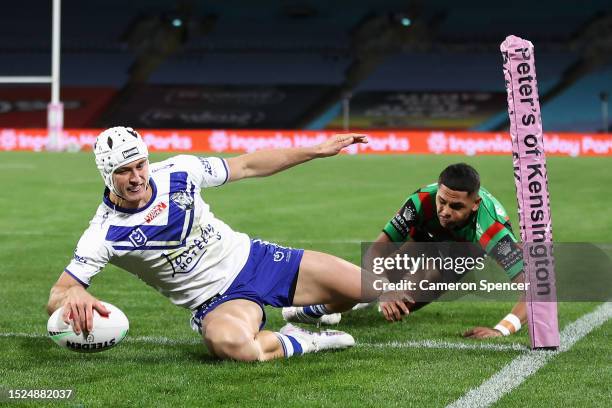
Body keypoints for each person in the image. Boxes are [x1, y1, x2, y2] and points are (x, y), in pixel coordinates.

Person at [46, 126, 374, 362]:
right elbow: (58, 295)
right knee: (235, 347)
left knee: (367, 287)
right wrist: (74, 294)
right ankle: (303, 340)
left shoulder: (180, 170)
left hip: (256, 260)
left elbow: (247, 165)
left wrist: (317, 150)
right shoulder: (103, 233)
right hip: (216, 302)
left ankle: (307, 312)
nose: (136, 178)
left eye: (140, 165)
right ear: (106, 174)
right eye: (123, 171)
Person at [284, 163, 527, 339]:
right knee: (380, 276)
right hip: (425, 236)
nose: (445, 210)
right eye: (442, 201)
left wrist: (501, 329)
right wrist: (383, 288)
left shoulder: (491, 230)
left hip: (464, 250)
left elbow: (535, 290)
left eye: (456, 206)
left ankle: (343, 304)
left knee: (409, 297)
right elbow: (376, 251)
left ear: (475, 205)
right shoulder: (421, 201)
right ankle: (315, 309)